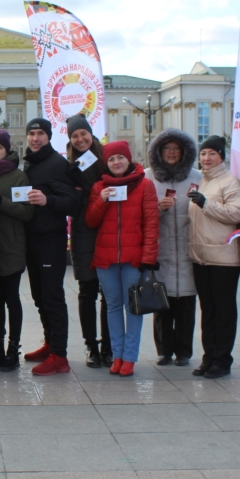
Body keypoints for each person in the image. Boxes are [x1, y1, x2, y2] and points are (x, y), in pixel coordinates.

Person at [86, 141, 159, 377]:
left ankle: (129, 357)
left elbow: (151, 223)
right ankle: (116, 354)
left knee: (133, 308)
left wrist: (148, 257)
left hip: (133, 258)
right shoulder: (99, 187)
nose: (116, 162)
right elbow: (90, 221)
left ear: (129, 160)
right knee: (113, 307)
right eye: (111, 159)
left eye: (120, 158)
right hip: (105, 258)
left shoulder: (144, 185)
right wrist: (101, 201)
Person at [21, 118, 80, 376]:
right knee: (39, 296)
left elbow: (72, 202)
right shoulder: (29, 163)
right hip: (31, 239)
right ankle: (50, 344)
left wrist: (48, 200)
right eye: (32, 134)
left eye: (40, 134)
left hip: (50, 240)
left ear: (49, 136)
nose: (36, 138)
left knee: (52, 297)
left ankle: (60, 355)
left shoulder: (57, 164)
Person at [187, 136, 240, 379]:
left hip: (223, 257)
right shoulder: (201, 182)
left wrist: (206, 203)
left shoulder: (230, 182)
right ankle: (208, 357)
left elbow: (235, 214)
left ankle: (222, 360)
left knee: (223, 311)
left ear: (222, 156)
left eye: (212, 153)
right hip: (201, 257)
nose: (206, 158)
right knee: (207, 310)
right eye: (203, 154)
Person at [146, 129, 202, 367]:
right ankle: (163, 350)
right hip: (161, 251)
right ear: (158, 152)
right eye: (167, 148)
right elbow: (140, 215)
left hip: (188, 251)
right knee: (162, 305)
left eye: (176, 148)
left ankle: (184, 352)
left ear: (185, 153)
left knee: (186, 305)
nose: (171, 152)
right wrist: (159, 208)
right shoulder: (148, 178)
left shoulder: (198, 178)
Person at [0, 129, 33, 371]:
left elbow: (26, 212)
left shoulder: (18, 177)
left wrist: (1, 202)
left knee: (11, 299)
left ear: (7, 150)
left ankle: (13, 346)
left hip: (11, 247)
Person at [65, 114, 112, 368]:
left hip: (108, 229)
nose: (80, 139)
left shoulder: (107, 157)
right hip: (83, 232)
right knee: (87, 292)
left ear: (91, 134)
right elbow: (71, 203)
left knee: (110, 294)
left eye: (83, 134)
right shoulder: (71, 163)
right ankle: (91, 346)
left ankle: (109, 345)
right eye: (75, 136)